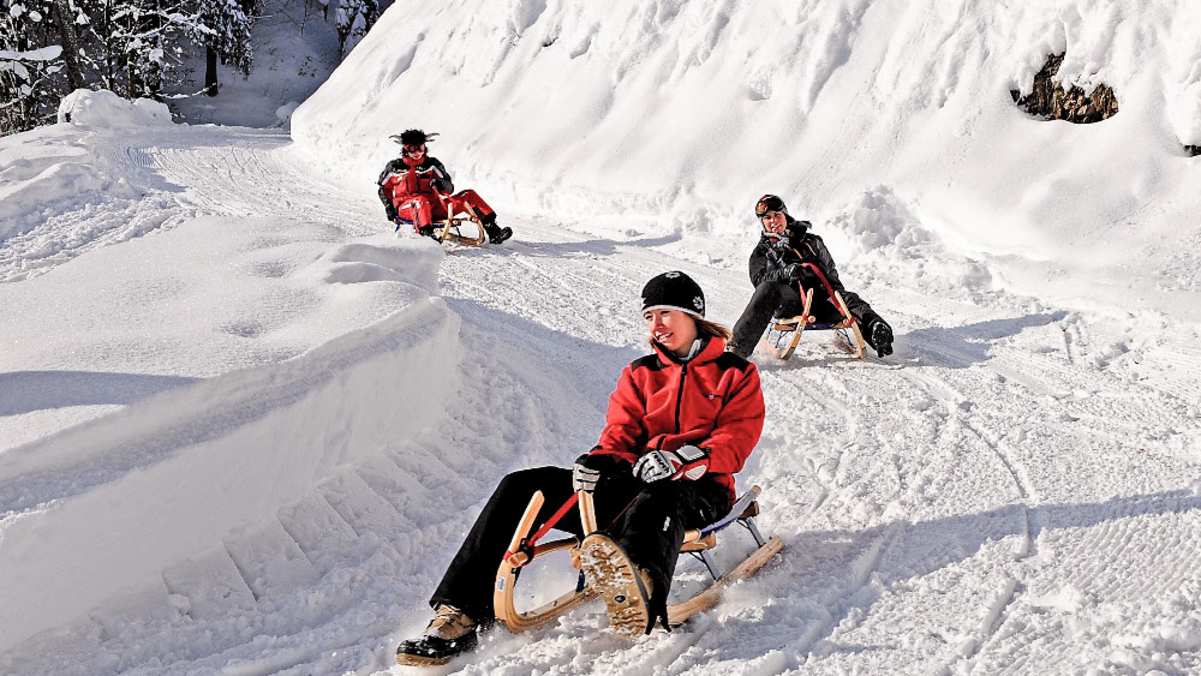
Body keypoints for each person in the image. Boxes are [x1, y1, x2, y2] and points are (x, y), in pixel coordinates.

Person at [395, 271, 765, 666]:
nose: (656, 325)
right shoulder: (640, 374)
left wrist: (684, 459)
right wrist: (599, 462)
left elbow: (737, 438)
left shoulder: (735, 373)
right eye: (649, 316)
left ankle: (639, 582)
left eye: (666, 313)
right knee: (522, 485)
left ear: (694, 315)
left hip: (700, 489)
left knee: (662, 494)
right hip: (634, 486)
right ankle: (459, 612)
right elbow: (620, 433)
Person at [728, 194, 894, 359]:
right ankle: (737, 349)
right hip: (790, 304)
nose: (773, 221)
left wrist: (836, 296)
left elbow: (831, 274)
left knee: (846, 298)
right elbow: (759, 281)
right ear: (762, 222)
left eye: (777, 215)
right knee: (768, 288)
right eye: (767, 218)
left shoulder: (812, 242)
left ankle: (876, 330)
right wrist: (784, 273)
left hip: (822, 302)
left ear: (785, 215)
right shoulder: (761, 252)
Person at [377, 129, 513, 244]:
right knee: (420, 200)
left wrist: (441, 184)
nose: (417, 152)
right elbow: (383, 188)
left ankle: (493, 230)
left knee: (468, 195)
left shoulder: (432, 164)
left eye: (421, 148)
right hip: (407, 208)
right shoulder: (395, 167)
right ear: (405, 149)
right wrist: (390, 208)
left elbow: (449, 187)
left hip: (434, 207)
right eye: (413, 148)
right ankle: (427, 236)